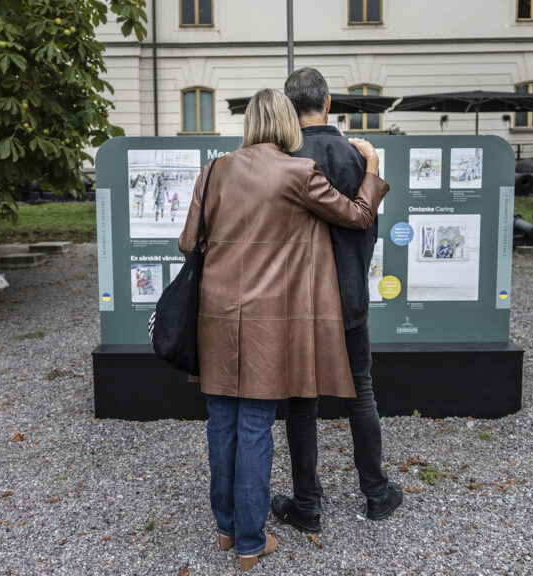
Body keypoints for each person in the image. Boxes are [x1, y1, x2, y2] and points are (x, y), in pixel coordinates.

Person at [178, 88, 388, 571]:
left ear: (250, 122)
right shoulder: (298, 172)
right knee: (254, 426)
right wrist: (372, 165)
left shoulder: (213, 171)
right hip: (269, 322)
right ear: (288, 124)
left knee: (221, 423)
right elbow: (358, 216)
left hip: (215, 317)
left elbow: (189, 242)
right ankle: (251, 542)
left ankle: (228, 529)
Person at [271, 68, 403, 535]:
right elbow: (367, 228)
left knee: (301, 404)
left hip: (299, 302)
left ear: (289, 107)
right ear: (328, 103)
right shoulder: (357, 157)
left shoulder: (281, 158)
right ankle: (377, 494)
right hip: (348, 296)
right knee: (360, 394)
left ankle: (307, 505)